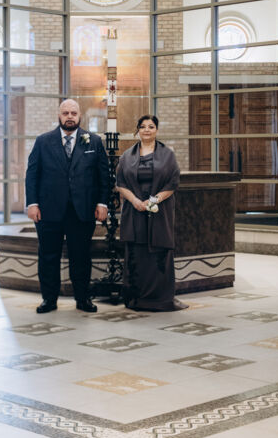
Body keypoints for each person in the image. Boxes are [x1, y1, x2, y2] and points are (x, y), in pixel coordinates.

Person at [25, 99, 109, 314]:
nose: (69, 117)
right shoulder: (43, 141)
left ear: (80, 115)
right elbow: (32, 175)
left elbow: (103, 176)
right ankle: (49, 300)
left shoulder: (94, 141)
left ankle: (83, 299)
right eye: (65, 113)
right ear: (59, 115)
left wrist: (102, 203)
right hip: (48, 210)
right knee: (48, 256)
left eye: (73, 113)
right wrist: (32, 203)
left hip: (82, 210)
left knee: (81, 256)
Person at [116, 114, 188, 311]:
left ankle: (160, 298)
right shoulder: (126, 156)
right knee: (137, 254)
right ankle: (136, 298)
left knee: (159, 253)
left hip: (159, 211)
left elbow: (173, 183)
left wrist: (154, 200)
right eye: (142, 126)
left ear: (156, 130)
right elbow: (120, 183)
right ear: (137, 130)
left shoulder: (168, 155)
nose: (146, 130)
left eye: (151, 126)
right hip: (135, 211)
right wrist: (135, 201)